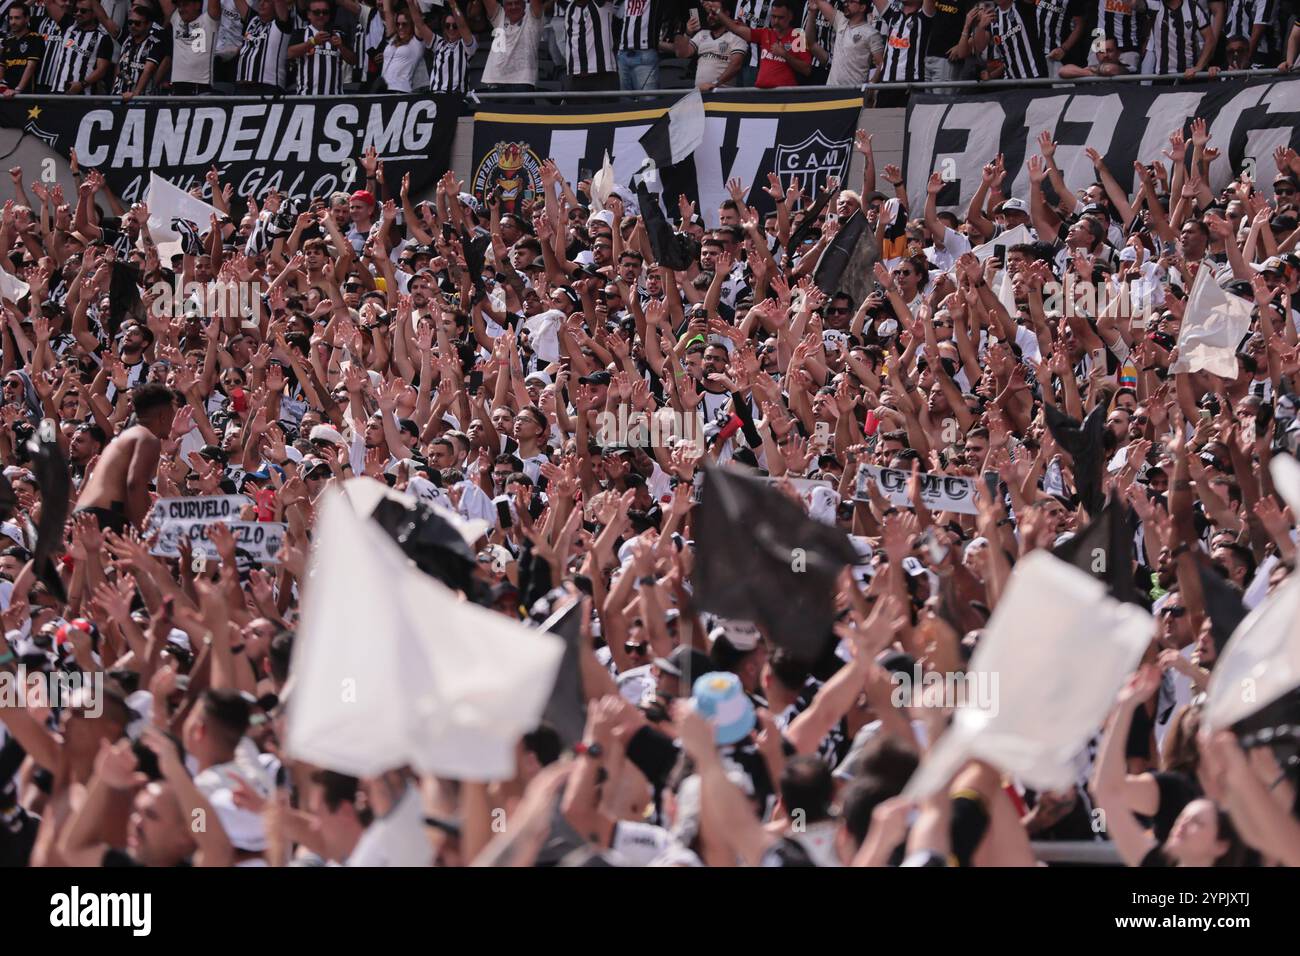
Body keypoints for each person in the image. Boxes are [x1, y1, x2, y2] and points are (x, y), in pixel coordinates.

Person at [73, 381, 174, 533]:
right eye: (173, 411)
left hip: (87, 516)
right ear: (163, 415)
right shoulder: (146, 439)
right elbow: (134, 484)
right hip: (102, 518)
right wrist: (145, 531)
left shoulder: (125, 438)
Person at [479, 0, 544, 91]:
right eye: (509, 4)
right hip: (495, 80)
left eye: (517, 3)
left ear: (524, 4)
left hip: (522, 81)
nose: (513, 7)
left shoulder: (532, 16)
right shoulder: (500, 16)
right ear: (504, 7)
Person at [161, 0, 221, 94]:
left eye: (185, 4)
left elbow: (214, 4)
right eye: (178, 5)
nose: (181, 9)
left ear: (197, 4)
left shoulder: (209, 21)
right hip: (176, 88)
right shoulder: (176, 18)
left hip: (200, 86)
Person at [0, 2, 45, 95]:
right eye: (11, 18)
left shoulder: (35, 38)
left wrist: (18, 90)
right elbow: (1, 67)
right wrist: (2, 88)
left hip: (25, 95)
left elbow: (31, 66)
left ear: (27, 18)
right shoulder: (7, 41)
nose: (13, 22)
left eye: (17, 18)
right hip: (6, 93)